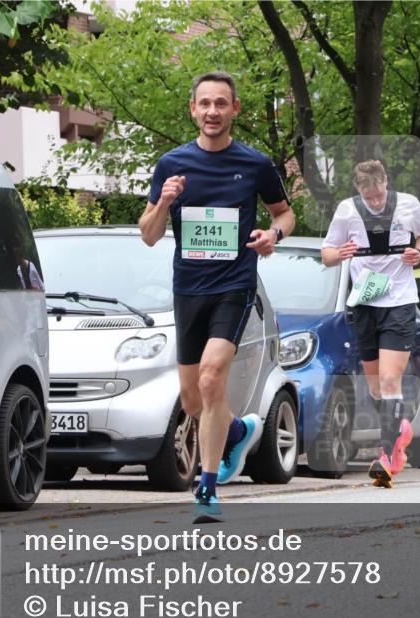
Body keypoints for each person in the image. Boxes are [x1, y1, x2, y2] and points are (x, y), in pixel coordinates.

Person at [139, 72, 295, 522]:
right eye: (204, 103)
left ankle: (206, 489)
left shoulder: (256, 163)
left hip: (234, 285)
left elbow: (285, 213)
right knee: (192, 401)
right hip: (188, 288)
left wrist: (273, 235)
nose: (212, 111)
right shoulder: (171, 164)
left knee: (211, 380)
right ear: (193, 109)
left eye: (221, 104)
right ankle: (238, 430)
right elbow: (149, 236)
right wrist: (165, 202)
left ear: (235, 110)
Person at [321, 160, 420, 487]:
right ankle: (398, 430)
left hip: (399, 301)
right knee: (375, 386)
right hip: (365, 302)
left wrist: (419, 252)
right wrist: (340, 253)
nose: (374, 201)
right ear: (358, 190)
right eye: (367, 197)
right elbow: (326, 253)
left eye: (378, 194)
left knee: (389, 379)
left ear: (386, 181)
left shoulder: (408, 205)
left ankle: (386, 457)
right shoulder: (347, 211)